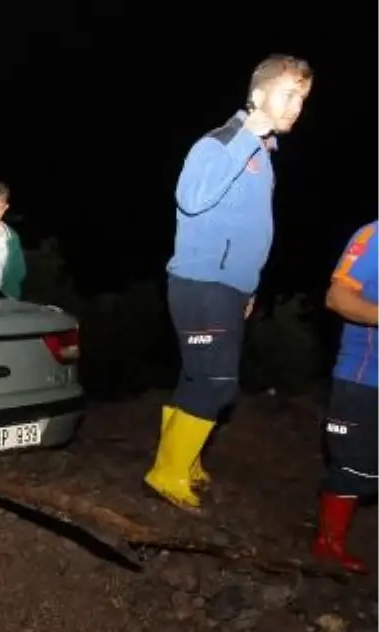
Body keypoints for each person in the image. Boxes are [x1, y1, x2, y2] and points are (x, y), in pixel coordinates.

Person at [146, 54, 313, 512]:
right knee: (218, 384)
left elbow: (244, 228)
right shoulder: (221, 143)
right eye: (288, 94)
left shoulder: (261, 154)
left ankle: (184, 460)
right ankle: (167, 473)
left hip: (224, 288)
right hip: (202, 283)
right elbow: (191, 198)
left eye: (302, 98)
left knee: (196, 377)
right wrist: (247, 136)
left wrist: (247, 288)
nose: (297, 105)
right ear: (258, 96)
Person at [313, 222, 379, 574]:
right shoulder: (376, 235)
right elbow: (336, 297)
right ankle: (328, 546)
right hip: (363, 379)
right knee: (356, 470)